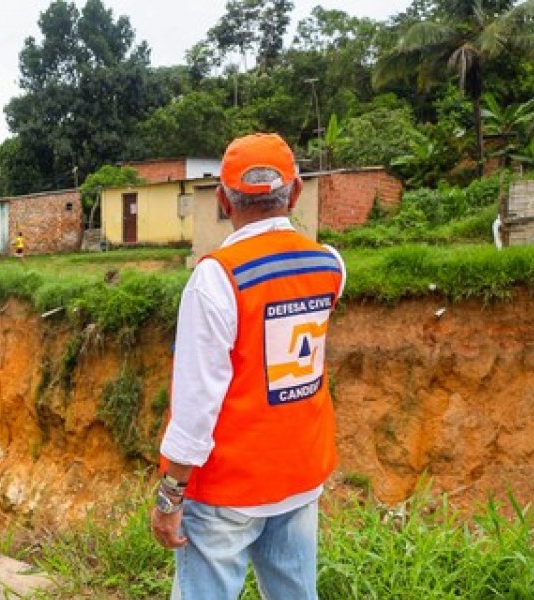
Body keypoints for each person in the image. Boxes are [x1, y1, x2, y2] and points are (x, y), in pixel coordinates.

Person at [151, 133, 346, 600]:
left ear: (221, 199)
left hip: (228, 491)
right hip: (299, 477)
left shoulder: (216, 278)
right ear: (295, 193)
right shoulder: (331, 265)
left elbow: (197, 405)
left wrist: (170, 495)